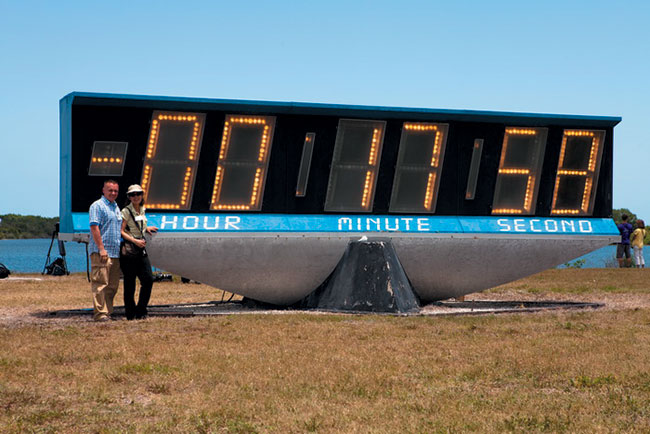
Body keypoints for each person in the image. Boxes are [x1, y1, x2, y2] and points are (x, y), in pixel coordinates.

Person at [120, 184, 158, 320]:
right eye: (132, 195)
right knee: (130, 283)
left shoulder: (142, 209)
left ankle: (141, 310)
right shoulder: (125, 211)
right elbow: (121, 231)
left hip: (141, 249)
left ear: (142, 195)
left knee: (148, 280)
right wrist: (135, 241)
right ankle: (130, 313)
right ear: (129, 197)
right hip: (130, 250)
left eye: (138, 194)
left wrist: (146, 228)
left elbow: (139, 224)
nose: (135, 197)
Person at [89, 179, 122, 321]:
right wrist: (101, 249)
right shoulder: (97, 206)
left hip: (115, 253)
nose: (113, 193)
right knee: (100, 284)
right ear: (103, 190)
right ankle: (100, 314)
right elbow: (94, 227)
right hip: (101, 252)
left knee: (112, 285)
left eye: (115, 191)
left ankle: (107, 312)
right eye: (110, 190)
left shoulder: (116, 207)